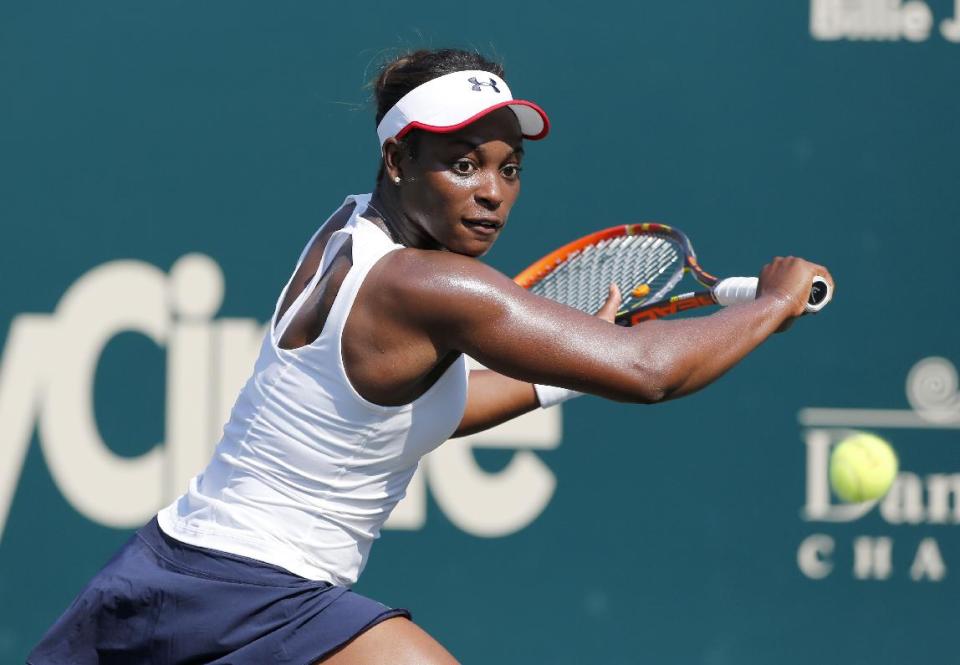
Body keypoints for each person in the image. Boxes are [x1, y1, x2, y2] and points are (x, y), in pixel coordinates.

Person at [29, 48, 834, 664]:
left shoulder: (352, 227)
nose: (492, 191)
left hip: (167, 573)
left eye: (508, 168)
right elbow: (652, 373)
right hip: (254, 591)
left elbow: (414, 418)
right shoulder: (428, 283)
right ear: (397, 161)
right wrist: (769, 305)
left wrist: (560, 382)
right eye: (462, 164)